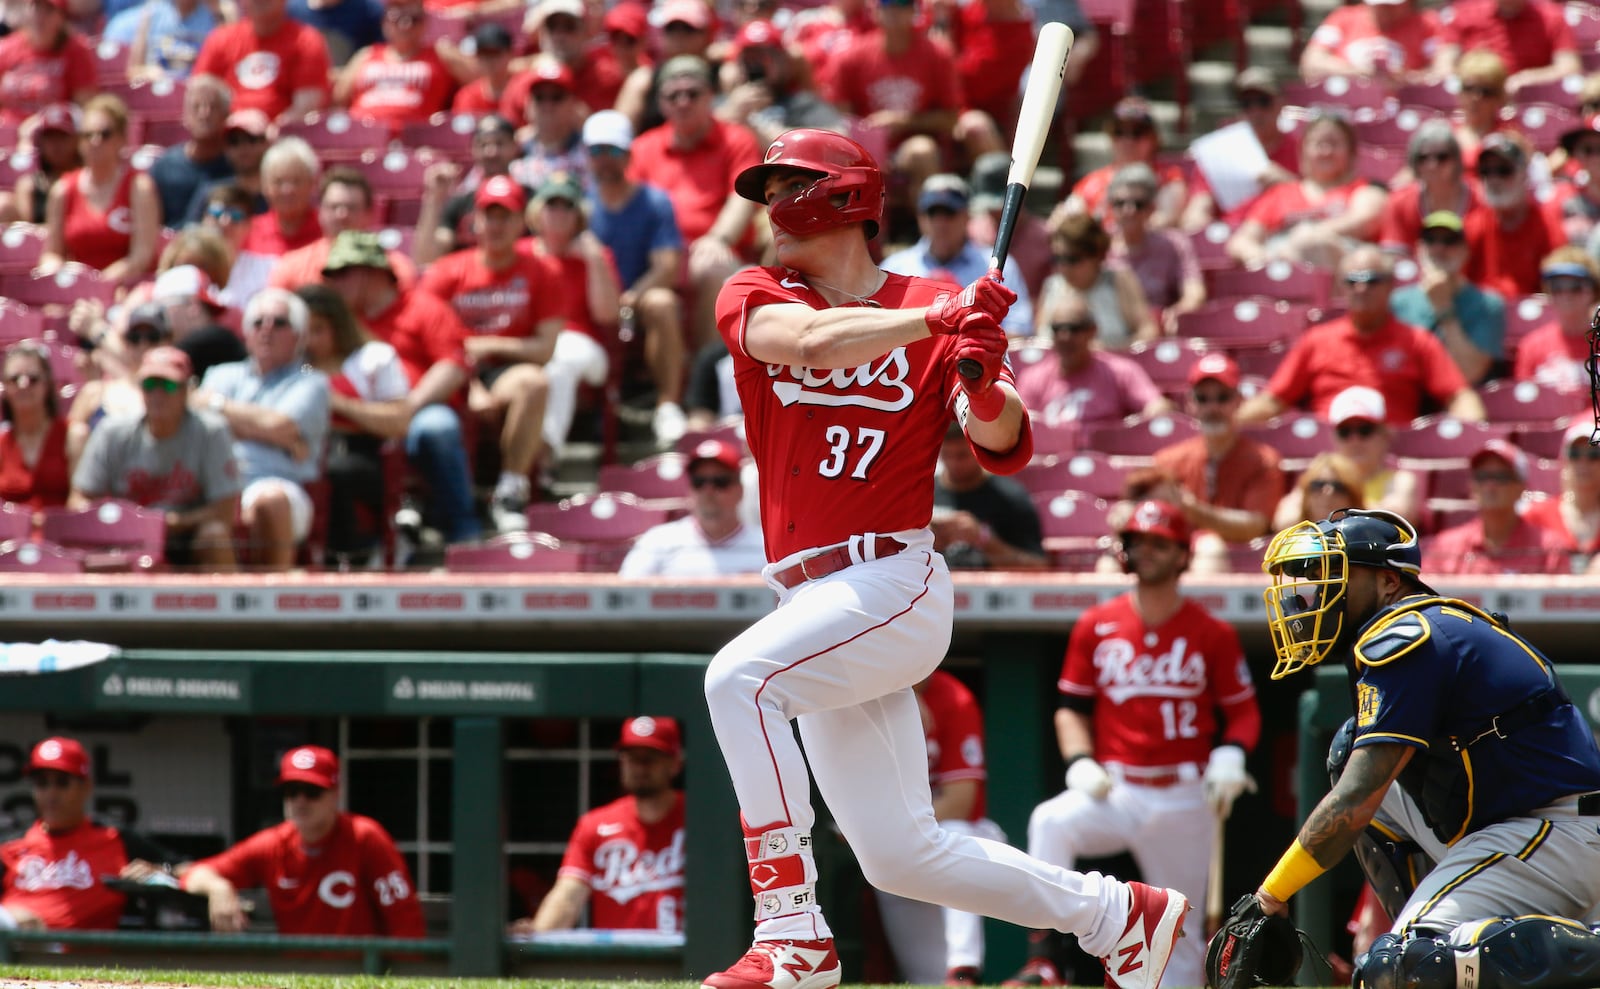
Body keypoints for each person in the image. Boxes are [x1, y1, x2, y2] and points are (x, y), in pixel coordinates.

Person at [701, 127, 1188, 989]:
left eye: (787, 188)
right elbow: (807, 344)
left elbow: (1004, 446)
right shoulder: (762, 288)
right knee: (899, 854)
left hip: (891, 578)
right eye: (767, 191)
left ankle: (792, 932)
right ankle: (1116, 914)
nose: (770, 210)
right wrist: (938, 319)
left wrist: (980, 375)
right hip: (810, 601)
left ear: (843, 196)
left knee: (739, 681)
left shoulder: (935, 305)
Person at [1252, 507, 1600, 989]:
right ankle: (1438, 927)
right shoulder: (1414, 627)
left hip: (1554, 831)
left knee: (1402, 967)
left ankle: (1582, 951)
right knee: (1347, 748)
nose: (1316, 592)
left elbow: (1355, 798)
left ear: (1389, 581)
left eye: (1333, 575)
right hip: (1509, 830)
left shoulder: (1406, 634)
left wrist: (1269, 897)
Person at [1002, 500, 1261, 989]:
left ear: (1184, 554)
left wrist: (1231, 754)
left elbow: (1244, 711)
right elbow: (1070, 710)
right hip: (1116, 789)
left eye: (1159, 543)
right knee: (1051, 820)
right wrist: (1079, 761)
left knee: (1182, 940)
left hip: (1186, 792)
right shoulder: (1097, 623)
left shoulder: (1212, 631)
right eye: (1137, 541)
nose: (1146, 551)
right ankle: (1047, 955)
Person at [418, 175, 566, 531]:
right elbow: (426, 340)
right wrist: (470, 386)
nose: (496, 225)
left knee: (535, 382)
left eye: (506, 216)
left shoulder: (543, 272)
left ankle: (511, 489)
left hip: (505, 369)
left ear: (521, 223)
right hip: (450, 370)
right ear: (474, 221)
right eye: (490, 215)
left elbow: (544, 349)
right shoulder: (447, 271)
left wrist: (487, 345)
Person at [321, 229, 481, 546]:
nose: (333, 282)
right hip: (354, 421)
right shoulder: (337, 322)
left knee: (436, 427)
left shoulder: (423, 307)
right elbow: (308, 363)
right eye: (331, 275)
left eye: (342, 273)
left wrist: (407, 408)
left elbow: (453, 366)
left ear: (372, 272)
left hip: (416, 411)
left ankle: (463, 527)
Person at [182, 745, 425, 937]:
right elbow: (194, 874)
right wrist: (219, 887)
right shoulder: (274, 843)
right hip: (299, 975)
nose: (300, 801)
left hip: (359, 975)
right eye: (291, 791)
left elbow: (405, 924)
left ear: (335, 795)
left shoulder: (365, 837)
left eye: (312, 792)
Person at [1236, 246, 1486, 426]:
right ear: (1341, 287)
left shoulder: (1416, 340)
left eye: (1372, 280)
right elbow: (1272, 401)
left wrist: (1472, 430)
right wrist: (1230, 423)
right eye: (1353, 280)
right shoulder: (1317, 340)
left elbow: (1459, 396)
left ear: (1390, 285)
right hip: (1329, 458)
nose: (1361, 288)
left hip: (1390, 458)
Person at [876, 670, 1009, 986]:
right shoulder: (868, 701)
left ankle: (964, 968)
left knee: (953, 833)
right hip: (900, 845)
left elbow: (960, 801)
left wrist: (895, 827)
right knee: (926, 978)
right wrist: (898, 705)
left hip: (968, 838)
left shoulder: (954, 698)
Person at [628, 54, 763, 352]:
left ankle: (704, 375)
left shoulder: (736, 138)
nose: (683, 102)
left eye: (692, 93)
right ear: (661, 104)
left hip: (720, 256)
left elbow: (742, 197)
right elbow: (631, 211)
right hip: (662, 259)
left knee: (709, 264)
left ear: (711, 96)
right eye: (673, 95)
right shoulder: (642, 148)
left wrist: (718, 239)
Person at [508, 717, 686, 934]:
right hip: (616, 960)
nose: (639, 767)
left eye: (649, 758)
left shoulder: (703, 820)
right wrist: (538, 932)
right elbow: (569, 894)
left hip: (689, 957)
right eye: (631, 758)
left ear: (675, 763)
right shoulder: (596, 823)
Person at [194, 288, 331, 570]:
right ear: (246, 332)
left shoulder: (312, 381)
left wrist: (219, 408)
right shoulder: (221, 374)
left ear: (300, 336)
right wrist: (269, 432)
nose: (267, 330)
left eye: (279, 323)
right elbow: (198, 424)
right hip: (216, 483)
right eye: (258, 322)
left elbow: (281, 426)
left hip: (280, 483)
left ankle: (276, 599)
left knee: (271, 499)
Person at [70, 346, 241, 570]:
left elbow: (226, 511)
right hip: (125, 537)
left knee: (214, 535)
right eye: (150, 385)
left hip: (187, 538)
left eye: (168, 385)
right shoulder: (113, 431)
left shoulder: (211, 431)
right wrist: (121, 522)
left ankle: (223, 603)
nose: (157, 395)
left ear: (185, 391)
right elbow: (78, 501)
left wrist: (168, 524)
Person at [583, 109, 690, 443]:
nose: (604, 160)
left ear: (628, 155)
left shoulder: (654, 202)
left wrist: (630, 297)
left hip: (636, 302)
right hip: (588, 305)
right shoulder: (577, 205)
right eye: (596, 151)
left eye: (613, 151)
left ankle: (668, 405)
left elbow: (666, 267)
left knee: (662, 302)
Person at [0, 737, 177, 931]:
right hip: (11, 950)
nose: (51, 794)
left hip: (79, 955)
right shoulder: (11, 844)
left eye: (62, 783)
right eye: (42, 783)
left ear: (86, 787)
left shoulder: (112, 837)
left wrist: (159, 872)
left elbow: (184, 868)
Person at [296, 283, 410, 568]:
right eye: (304, 330)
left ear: (339, 326)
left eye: (318, 329)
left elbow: (398, 421)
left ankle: (353, 551)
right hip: (302, 452)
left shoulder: (374, 358)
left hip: (363, 456)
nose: (310, 339)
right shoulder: (294, 365)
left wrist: (338, 404)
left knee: (335, 472)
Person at [1225, 112, 1387, 271]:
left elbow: (1365, 220)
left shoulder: (1365, 189)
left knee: (1310, 241)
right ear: (1303, 152)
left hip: (1346, 270)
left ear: (1351, 152)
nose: (1326, 151)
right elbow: (1241, 241)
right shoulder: (1281, 193)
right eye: (1318, 144)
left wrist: (1305, 236)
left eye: (1334, 143)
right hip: (1284, 262)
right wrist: (1264, 258)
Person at [1152, 352, 1284, 546]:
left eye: (1222, 397)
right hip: (1178, 554)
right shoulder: (1167, 460)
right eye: (1202, 398)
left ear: (1239, 400)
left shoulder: (1263, 459)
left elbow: (1257, 526)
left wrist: (1194, 510)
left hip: (1243, 561)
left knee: (1209, 547)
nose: (1212, 407)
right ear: (1190, 403)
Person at [881, 174, 1034, 339]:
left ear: (966, 215)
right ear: (920, 218)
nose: (941, 223)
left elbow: (1020, 329)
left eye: (949, 213)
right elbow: (879, 326)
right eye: (933, 213)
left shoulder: (997, 266)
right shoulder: (895, 267)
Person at [38, 94, 161, 287]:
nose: (95, 142)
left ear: (122, 139)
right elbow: (52, 252)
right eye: (87, 135)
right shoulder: (63, 190)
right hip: (77, 292)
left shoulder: (138, 187)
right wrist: (57, 273)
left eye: (104, 134)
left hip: (127, 288)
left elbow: (142, 255)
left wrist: (99, 284)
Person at [1272, 385, 1423, 529]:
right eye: (1345, 432)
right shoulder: (1320, 475)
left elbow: (1401, 519)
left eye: (1365, 430)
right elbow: (1284, 521)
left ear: (1385, 434)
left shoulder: (1399, 479)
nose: (1354, 440)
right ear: (1334, 437)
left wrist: (1340, 506)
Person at [1015, 293, 1171, 430]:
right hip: (1052, 459)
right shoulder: (1033, 378)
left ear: (1092, 330)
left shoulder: (1120, 371)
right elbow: (1018, 426)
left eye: (1074, 329)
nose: (1065, 337)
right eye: (1057, 329)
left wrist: (1149, 417)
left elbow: (1157, 406)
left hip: (1107, 454)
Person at [1387, 210, 1506, 388]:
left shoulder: (1488, 304)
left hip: (1467, 401)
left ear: (1465, 250)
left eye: (1449, 241)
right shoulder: (1397, 303)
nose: (1439, 248)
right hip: (1412, 400)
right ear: (1419, 249)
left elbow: (1470, 373)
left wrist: (1443, 308)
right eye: (1430, 240)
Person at [618, 439, 766, 577]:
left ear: (740, 490)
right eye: (699, 482)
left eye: (720, 482)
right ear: (689, 489)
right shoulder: (658, 541)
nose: (708, 490)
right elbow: (625, 595)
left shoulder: (765, 548)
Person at [1426, 438, 1573, 574]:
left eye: (1501, 477)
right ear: (1471, 487)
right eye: (1482, 477)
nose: (1490, 486)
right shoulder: (1446, 547)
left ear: (1521, 487)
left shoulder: (1548, 549)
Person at [1179, 67, 1300, 232]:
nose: (1255, 112)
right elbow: (1200, 205)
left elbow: (1319, 199)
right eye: (1246, 104)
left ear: (1281, 103)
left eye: (1263, 102)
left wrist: (1288, 184)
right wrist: (1197, 222)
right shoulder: (1220, 151)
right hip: (1230, 232)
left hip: (1281, 233)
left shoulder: (1301, 150)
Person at [191, 0, 333, 124]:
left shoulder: (306, 41)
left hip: (281, 139)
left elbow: (306, 108)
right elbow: (198, 92)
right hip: (227, 135)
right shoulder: (220, 39)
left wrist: (267, 133)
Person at [932, 420, 1046, 570]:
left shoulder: (1010, 497)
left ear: (978, 451)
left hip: (991, 590)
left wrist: (983, 539)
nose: (954, 463)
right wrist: (925, 539)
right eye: (946, 454)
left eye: (962, 455)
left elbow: (1038, 565)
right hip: (932, 588)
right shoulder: (923, 493)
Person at [1105, 164, 1205, 332]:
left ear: (1151, 208)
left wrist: (1177, 313)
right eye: (1120, 203)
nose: (1129, 210)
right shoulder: (1096, 244)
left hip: (1158, 330)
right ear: (1111, 206)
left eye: (1138, 204)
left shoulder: (1174, 243)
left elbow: (1194, 293)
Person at [1463, 132, 1564, 298]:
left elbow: (1560, 286)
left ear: (1524, 174)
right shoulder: (1473, 225)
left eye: (1504, 170)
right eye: (1486, 171)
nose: (1494, 179)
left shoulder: (1546, 224)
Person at [333, 0, 458, 131]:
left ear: (425, 22)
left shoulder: (441, 54)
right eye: (396, 19)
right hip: (363, 136)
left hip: (416, 140)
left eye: (414, 19)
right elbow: (338, 98)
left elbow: (479, 83)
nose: (405, 25)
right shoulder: (367, 55)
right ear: (384, 23)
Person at [1035, 212, 1155, 348]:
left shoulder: (1118, 280)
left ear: (1097, 256)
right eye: (1058, 259)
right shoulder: (1051, 286)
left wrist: (1111, 352)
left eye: (1072, 259)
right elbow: (1040, 341)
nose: (1063, 267)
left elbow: (1148, 331)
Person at [1431, 0, 1580, 95]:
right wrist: (1480, 84)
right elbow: (1444, 66)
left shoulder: (1551, 17)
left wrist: (1527, 79)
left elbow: (1570, 68)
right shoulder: (1464, 14)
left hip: (1528, 99)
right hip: (1477, 101)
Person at [1375, 121, 1476, 256]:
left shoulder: (1480, 198)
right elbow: (1394, 257)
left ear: (1456, 160)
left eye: (1442, 157)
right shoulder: (1400, 202)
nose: (1432, 165)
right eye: (1423, 158)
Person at [148, 74, 234, 229]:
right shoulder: (165, 168)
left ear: (226, 115)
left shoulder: (236, 167)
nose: (204, 114)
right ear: (184, 116)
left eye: (212, 107)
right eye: (196, 107)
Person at [1513, 247, 1600, 391]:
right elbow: (1526, 404)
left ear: (1594, 291)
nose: (1565, 294)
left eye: (1575, 286)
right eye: (1556, 286)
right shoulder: (1531, 346)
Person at [0, 340, 72, 513]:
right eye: (14, 379)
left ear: (47, 385)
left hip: (61, 534)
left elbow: (80, 496)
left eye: (32, 379)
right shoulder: (1, 443)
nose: (23, 385)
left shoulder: (72, 435)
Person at [1298, 0, 1440, 85]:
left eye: (1391, 5)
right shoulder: (1342, 18)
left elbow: (1441, 71)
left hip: (1406, 105)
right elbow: (1311, 62)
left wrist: (1407, 78)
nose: (1386, 10)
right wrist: (1361, 73)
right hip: (1347, 102)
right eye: (1381, 5)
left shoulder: (1426, 23)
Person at [0, 0, 95, 125]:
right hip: (7, 132)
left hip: (51, 134)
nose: (40, 17)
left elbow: (85, 106)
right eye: (36, 8)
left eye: (48, 10)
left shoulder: (76, 51)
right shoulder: (6, 48)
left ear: (61, 17)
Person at [1522, 419, 1600, 572]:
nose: (1583, 463)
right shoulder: (1536, 516)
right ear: (1564, 461)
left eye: (1593, 455)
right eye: (1575, 454)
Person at [4, 103, 81, 225]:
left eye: (62, 136)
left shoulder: (86, 182)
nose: (55, 144)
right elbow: (29, 232)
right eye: (49, 137)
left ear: (76, 140)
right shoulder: (30, 186)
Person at [1275, 451, 1368, 528]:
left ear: (1354, 497)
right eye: (1318, 485)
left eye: (1339, 487)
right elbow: (1283, 523)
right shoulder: (1291, 539)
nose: (1327, 492)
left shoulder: (1368, 540)